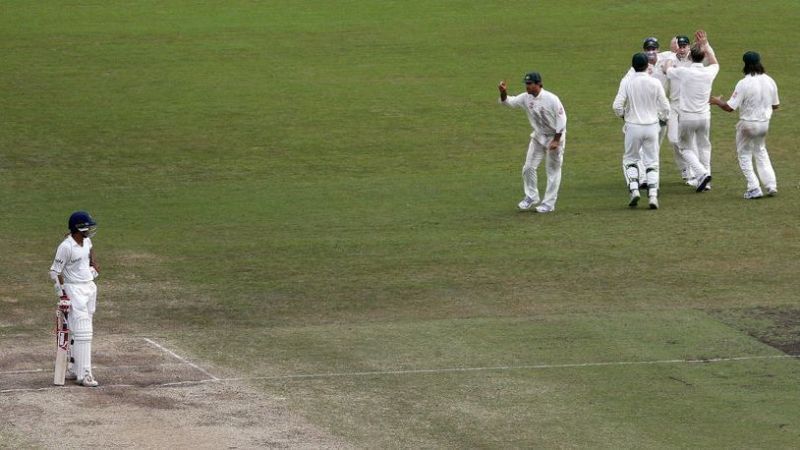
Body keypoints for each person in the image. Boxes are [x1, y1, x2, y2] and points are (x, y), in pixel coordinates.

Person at [710, 51, 780, 199]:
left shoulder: (744, 83)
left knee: (744, 155)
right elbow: (775, 105)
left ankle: (754, 187)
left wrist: (716, 101)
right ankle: (771, 184)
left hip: (748, 124)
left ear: (745, 64)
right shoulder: (770, 80)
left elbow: (730, 107)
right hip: (764, 124)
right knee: (761, 151)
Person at [498, 72, 567, 213]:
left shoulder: (551, 99)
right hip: (538, 137)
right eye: (526, 84)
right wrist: (504, 93)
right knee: (528, 167)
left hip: (555, 137)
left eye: (529, 84)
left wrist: (556, 140)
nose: (527, 87)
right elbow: (508, 102)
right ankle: (531, 196)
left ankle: (548, 204)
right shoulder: (525, 98)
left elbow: (562, 120)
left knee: (552, 171)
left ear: (538, 84)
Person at [49, 211, 100, 387]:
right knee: (84, 332)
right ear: (78, 228)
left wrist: (93, 264)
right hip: (74, 290)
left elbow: (90, 253)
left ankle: (72, 368)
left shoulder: (87, 241)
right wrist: (62, 294)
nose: (90, 230)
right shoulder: (66, 246)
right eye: (87, 226)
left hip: (89, 288)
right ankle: (84, 374)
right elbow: (55, 272)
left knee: (80, 331)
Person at [613, 52, 670, 209]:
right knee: (652, 161)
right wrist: (662, 118)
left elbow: (617, 106)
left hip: (633, 126)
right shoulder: (655, 83)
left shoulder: (628, 83)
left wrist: (624, 115)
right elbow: (665, 107)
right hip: (652, 126)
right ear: (647, 66)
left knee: (630, 159)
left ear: (633, 66)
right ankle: (652, 196)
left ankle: (634, 189)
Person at [664, 30, 719, 192]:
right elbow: (715, 63)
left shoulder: (687, 67)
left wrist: (705, 45)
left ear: (689, 48)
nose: (681, 49)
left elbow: (711, 60)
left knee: (692, 144)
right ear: (675, 47)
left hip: (688, 110)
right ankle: (689, 173)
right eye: (679, 46)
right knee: (675, 140)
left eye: (684, 46)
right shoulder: (670, 57)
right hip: (676, 106)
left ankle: (699, 175)